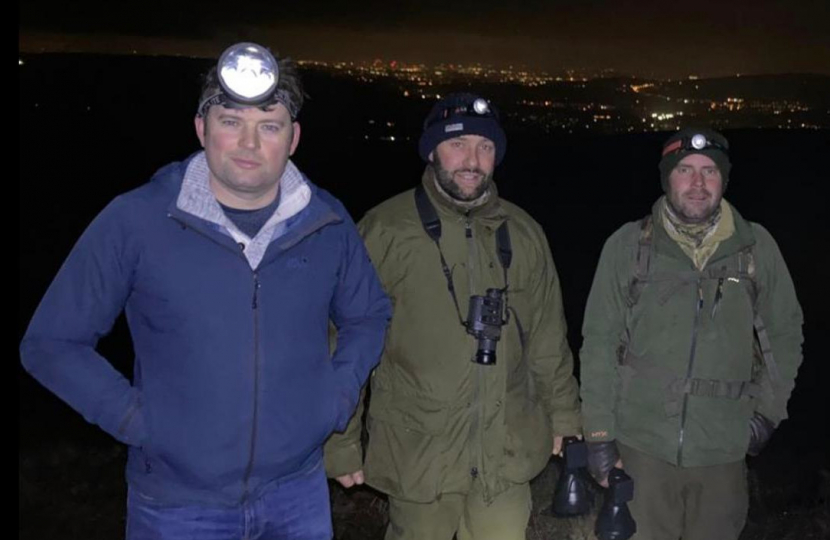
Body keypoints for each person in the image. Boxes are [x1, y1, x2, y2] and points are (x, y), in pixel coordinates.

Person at [19, 42, 390, 540]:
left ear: (293, 138)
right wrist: (140, 423)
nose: (249, 143)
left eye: (270, 125)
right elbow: (52, 343)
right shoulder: (137, 220)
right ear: (202, 128)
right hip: (177, 504)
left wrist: (335, 398)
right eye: (231, 121)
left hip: (296, 494)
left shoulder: (326, 222)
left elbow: (367, 314)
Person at [324, 92, 582, 540]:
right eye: (458, 145)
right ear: (431, 151)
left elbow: (547, 339)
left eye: (485, 148)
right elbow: (343, 340)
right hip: (419, 456)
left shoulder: (523, 233)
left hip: (506, 451)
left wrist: (564, 419)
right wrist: (340, 441)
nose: (472, 160)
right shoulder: (385, 230)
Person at [580, 127, 804, 540]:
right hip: (641, 447)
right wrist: (598, 434)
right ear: (667, 178)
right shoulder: (629, 246)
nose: (698, 184)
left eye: (709, 171)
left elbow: (785, 335)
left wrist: (768, 414)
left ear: (724, 179)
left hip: (723, 451)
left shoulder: (756, 248)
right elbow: (599, 342)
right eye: (685, 170)